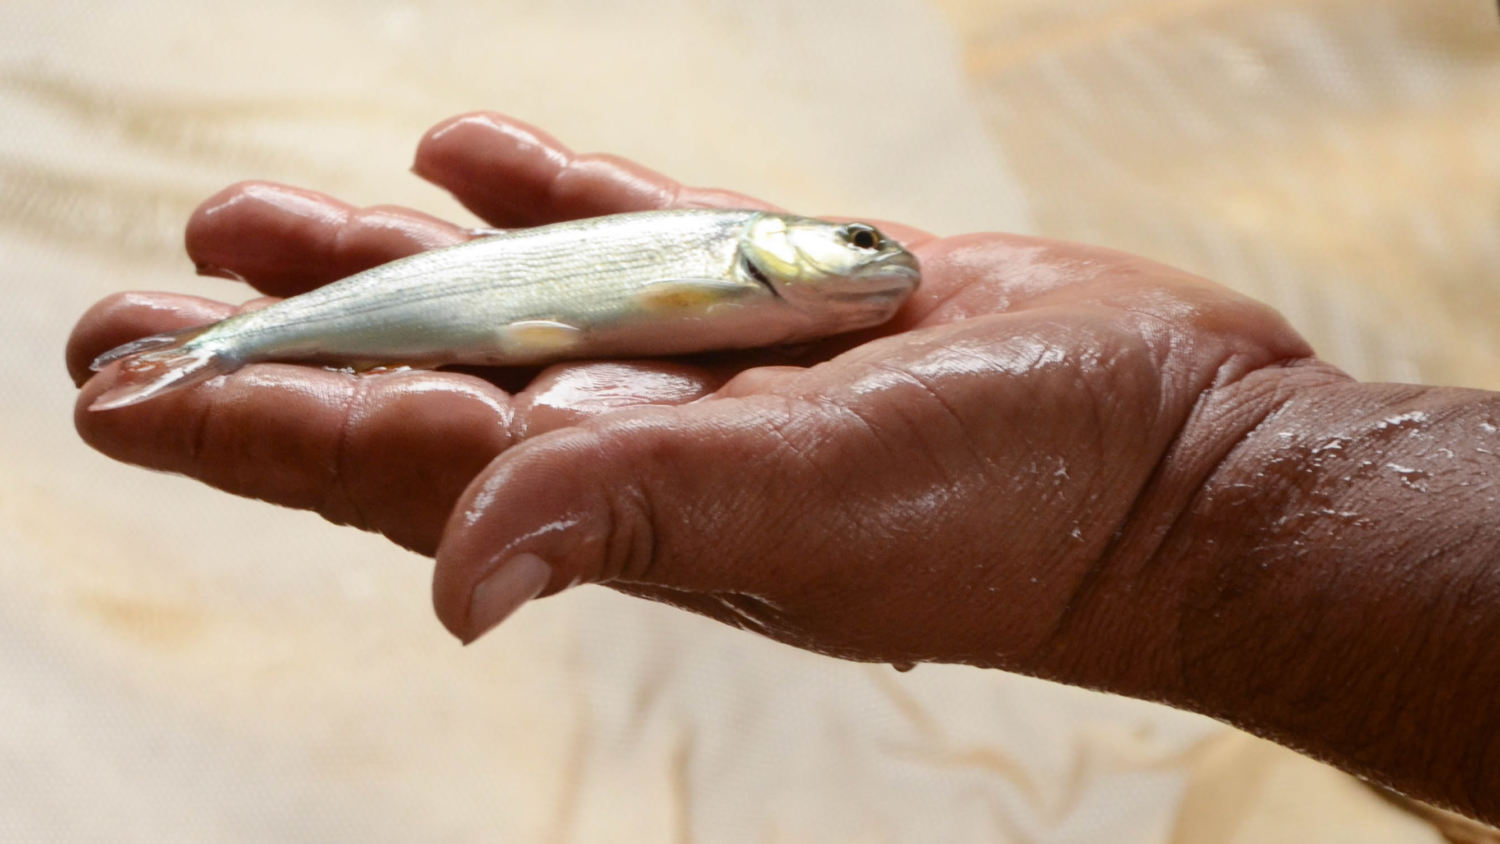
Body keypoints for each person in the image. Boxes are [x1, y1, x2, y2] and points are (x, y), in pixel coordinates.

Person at [67, 112, 1500, 825]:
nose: (884, 268)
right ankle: (224, 347)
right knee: (262, 331)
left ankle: (219, 351)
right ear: (788, 252)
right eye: (860, 251)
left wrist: (1189, 479)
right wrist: (1193, 485)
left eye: (873, 253)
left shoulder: (772, 282)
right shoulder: (742, 265)